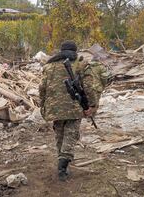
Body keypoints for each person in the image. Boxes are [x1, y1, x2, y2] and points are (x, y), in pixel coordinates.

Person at [39, 40, 109, 181]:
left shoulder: (48, 66)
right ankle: (63, 164)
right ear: (75, 52)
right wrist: (92, 105)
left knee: (60, 134)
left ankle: (62, 162)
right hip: (73, 106)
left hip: (54, 108)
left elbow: (42, 88)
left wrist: (43, 106)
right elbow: (89, 86)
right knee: (71, 134)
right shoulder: (81, 64)